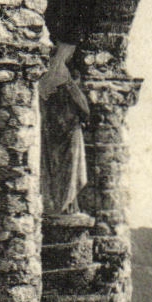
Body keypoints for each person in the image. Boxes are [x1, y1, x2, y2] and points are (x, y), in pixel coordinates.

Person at [38, 41, 91, 215]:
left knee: (57, 170)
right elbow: (83, 106)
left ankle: (60, 205)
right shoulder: (64, 78)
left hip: (53, 133)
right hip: (69, 131)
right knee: (71, 171)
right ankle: (68, 206)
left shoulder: (44, 81)